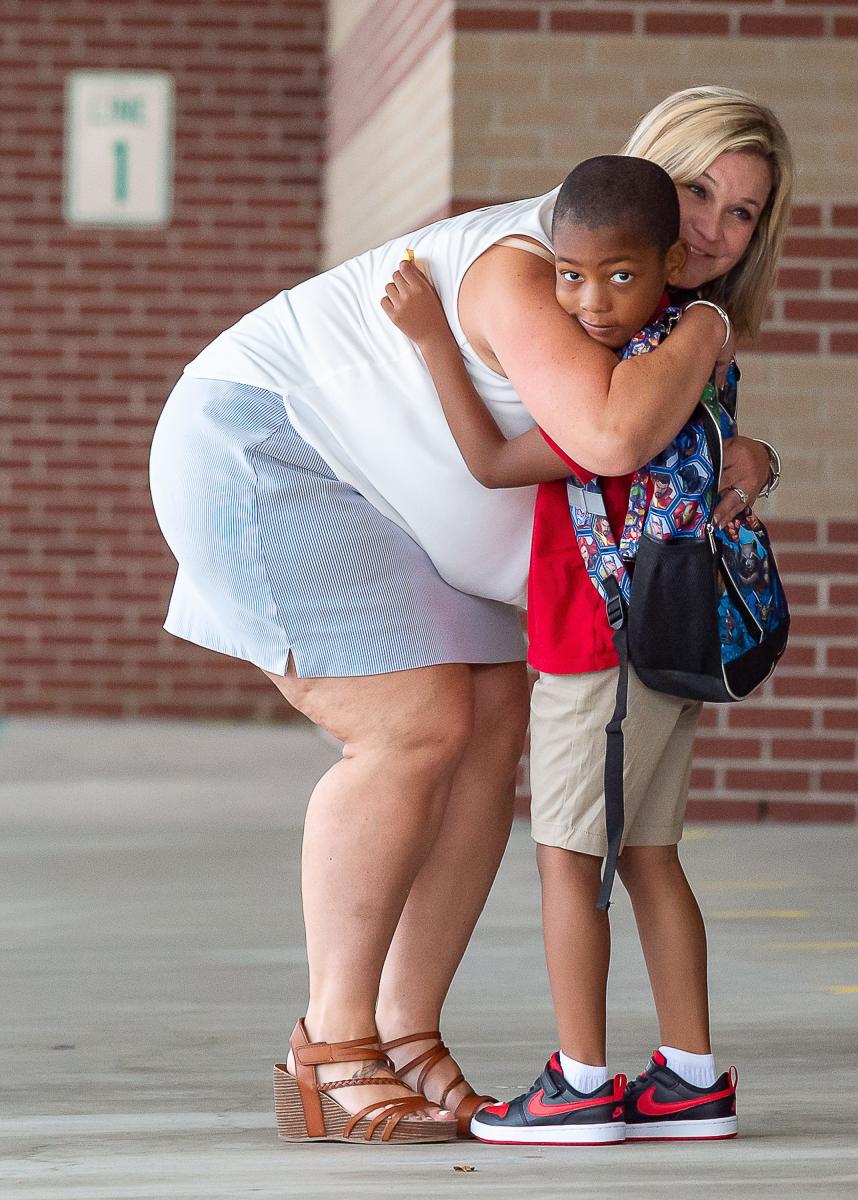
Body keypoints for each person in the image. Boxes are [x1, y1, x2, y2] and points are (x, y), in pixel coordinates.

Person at [148, 86, 790, 1144]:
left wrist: (752, 454)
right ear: (642, 181)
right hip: (270, 447)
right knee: (414, 725)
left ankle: (405, 1031)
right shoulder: (530, 269)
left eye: (744, 212)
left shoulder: (646, 316)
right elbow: (613, 437)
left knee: (492, 730)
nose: (714, 229)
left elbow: (664, 445)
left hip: (395, 508)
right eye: (695, 191)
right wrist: (714, 328)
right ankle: (332, 1045)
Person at [380, 154, 754, 1145]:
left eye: (621, 275)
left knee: (565, 860)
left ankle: (581, 1085)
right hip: (669, 656)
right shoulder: (685, 357)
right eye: (570, 275)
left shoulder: (629, 392)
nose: (590, 301)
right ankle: (687, 1078)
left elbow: (496, 460)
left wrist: (431, 342)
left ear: (671, 264)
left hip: (601, 653)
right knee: (650, 857)